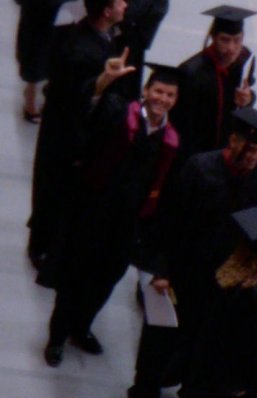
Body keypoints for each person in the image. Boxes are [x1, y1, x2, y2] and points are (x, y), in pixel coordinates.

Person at [37, 64, 180, 368]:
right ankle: (57, 337)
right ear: (145, 91)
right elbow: (86, 115)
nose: (162, 99)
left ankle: (82, 327)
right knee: (73, 278)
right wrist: (102, 83)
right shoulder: (118, 114)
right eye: (158, 91)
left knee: (104, 282)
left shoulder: (170, 142)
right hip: (91, 213)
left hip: (126, 227)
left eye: (169, 95)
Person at [159, 107, 257, 398]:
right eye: (248, 149)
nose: (252, 157)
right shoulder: (200, 168)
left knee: (210, 345)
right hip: (192, 269)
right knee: (179, 335)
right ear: (232, 141)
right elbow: (172, 221)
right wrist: (163, 270)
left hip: (229, 277)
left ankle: (192, 390)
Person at [28, 0, 131, 268]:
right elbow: (75, 98)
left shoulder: (87, 36)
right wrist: (102, 85)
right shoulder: (83, 52)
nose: (125, 4)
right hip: (66, 132)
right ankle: (41, 246)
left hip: (65, 126)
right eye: (119, 1)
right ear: (107, 11)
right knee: (55, 188)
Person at [171, 5, 257, 159]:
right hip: (197, 154)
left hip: (227, 152)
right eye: (225, 40)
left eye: (237, 40)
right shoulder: (192, 73)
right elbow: (181, 126)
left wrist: (248, 99)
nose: (231, 48)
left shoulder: (244, 62)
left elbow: (246, 97)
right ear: (213, 37)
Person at [16, 0, 77, 122]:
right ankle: (31, 93)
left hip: (69, 11)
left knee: (63, 51)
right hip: (40, 10)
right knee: (36, 51)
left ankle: (51, 90)